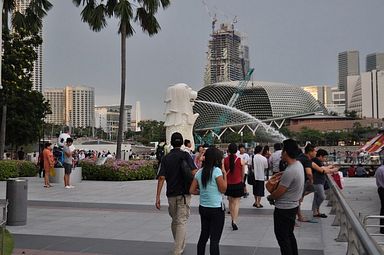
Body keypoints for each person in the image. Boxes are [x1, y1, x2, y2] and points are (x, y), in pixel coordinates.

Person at [155, 132, 197, 255]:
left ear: (172, 143)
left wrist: (157, 197)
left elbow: (161, 178)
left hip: (171, 194)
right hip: (184, 194)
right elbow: (194, 171)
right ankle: (178, 249)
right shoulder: (186, 155)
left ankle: (179, 246)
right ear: (182, 142)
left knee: (176, 220)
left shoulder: (166, 158)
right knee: (180, 221)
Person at [266, 139, 304, 255]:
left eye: (282, 151)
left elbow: (280, 191)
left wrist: (270, 197)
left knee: (283, 238)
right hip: (292, 206)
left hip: (284, 209)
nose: (281, 153)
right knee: (289, 235)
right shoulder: (298, 165)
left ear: (286, 153)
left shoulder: (290, 170)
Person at [189, 147, 227, 255]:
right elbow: (223, 189)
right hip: (216, 209)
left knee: (204, 236)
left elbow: (191, 190)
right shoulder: (217, 171)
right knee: (214, 240)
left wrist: (202, 192)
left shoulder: (199, 172)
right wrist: (225, 174)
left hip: (203, 208)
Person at [224, 143, 245, 231]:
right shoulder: (240, 160)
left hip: (228, 184)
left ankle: (232, 219)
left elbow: (224, 173)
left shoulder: (224, 160)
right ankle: (234, 221)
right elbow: (243, 174)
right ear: (236, 150)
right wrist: (242, 181)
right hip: (238, 183)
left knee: (231, 201)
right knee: (236, 202)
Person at [312, 149, 331, 218]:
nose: (325, 159)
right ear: (320, 156)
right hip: (317, 181)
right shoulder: (317, 161)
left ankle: (316, 212)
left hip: (319, 181)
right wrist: (333, 169)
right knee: (322, 197)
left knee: (316, 196)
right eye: (324, 157)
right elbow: (323, 170)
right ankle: (315, 209)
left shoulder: (317, 161)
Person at [375, 162, 384, 234]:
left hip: (381, 189)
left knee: (383, 208)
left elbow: (377, 181)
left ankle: (382, 228)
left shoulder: (379, 169)